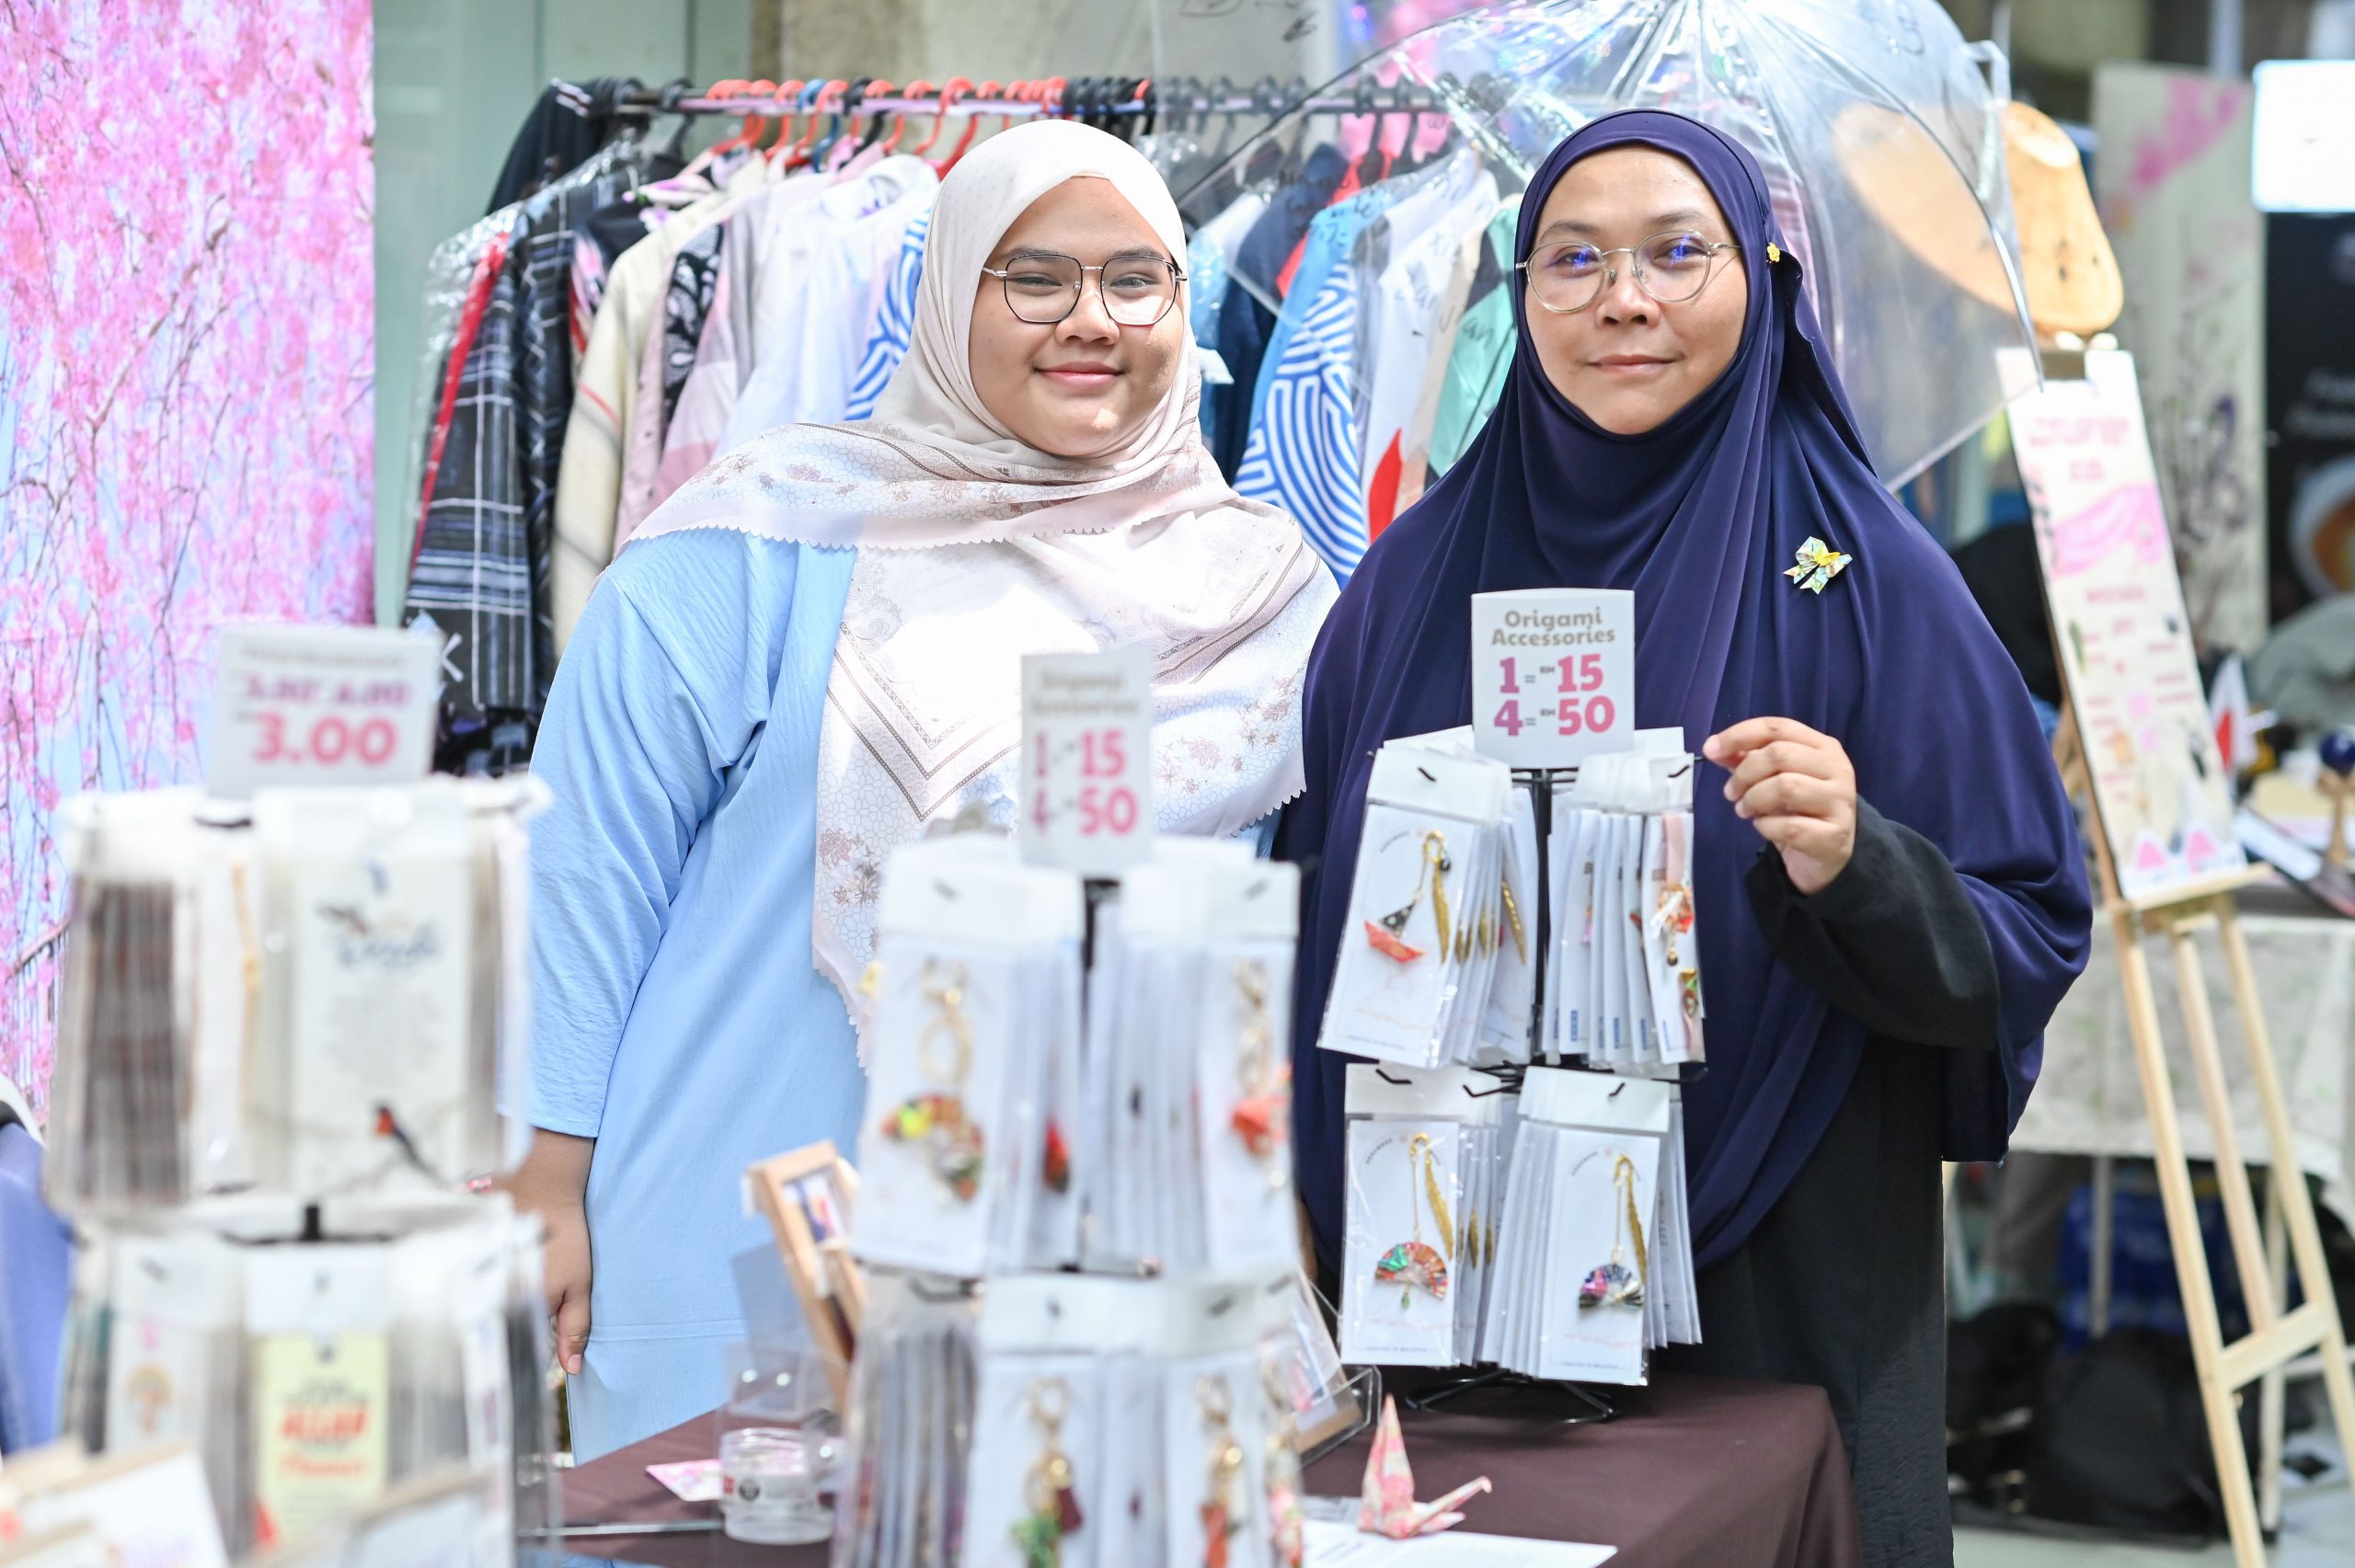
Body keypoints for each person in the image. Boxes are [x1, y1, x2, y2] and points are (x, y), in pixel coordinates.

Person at [1281, 110, 2091, 1565]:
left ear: (1764, 279)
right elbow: (1310, 911)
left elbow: (2026, 930)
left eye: (1675, 253)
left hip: (1771, 1282)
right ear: (1520, 294)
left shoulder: (1871, 582)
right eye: (1573, 260)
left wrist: (1857, 862)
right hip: (1454, 1284)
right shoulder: (1410, 583)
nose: (1623, 300)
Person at [513, 120, 1335, 1459]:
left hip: (1097, 1281)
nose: (1091, 319)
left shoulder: (1268, 599)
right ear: (949, 293)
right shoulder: (758, 539)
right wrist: (546, 1178)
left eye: (1136, 279)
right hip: (735, 1252)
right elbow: (582, 869)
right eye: (1034, 277)